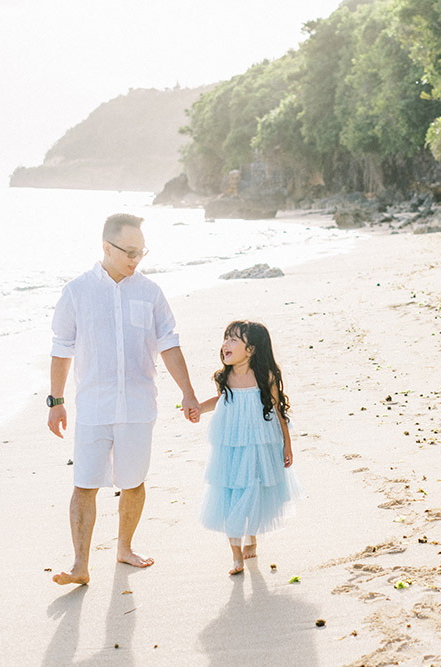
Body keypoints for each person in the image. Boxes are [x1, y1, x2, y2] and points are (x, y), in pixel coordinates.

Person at [47, 213, 200, 586]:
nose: (136, 259)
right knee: (84, 484)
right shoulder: (77, 291)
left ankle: (124, 548)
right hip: (93, 406)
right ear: (106, 247)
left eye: (141, 252)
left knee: (133, 482)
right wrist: (55, 401)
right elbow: (61, 348)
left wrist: (188, 392)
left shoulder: (149, 292)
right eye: (129, 251)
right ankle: (80, 565)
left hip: (138, 405)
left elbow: (169, 343)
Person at [190, 320, 300, 575]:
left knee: (252, 487)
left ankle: (251, 537)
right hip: (230, 443)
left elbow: (279, 410)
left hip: (259, 442)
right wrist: (199, 408)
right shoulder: (223, 377)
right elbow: (221, 400)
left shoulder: (265, 377)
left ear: (250, 349)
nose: (225, 344)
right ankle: (236, 554)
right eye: (225, 338)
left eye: (233, 340)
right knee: (231, 492)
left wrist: (287, 444)